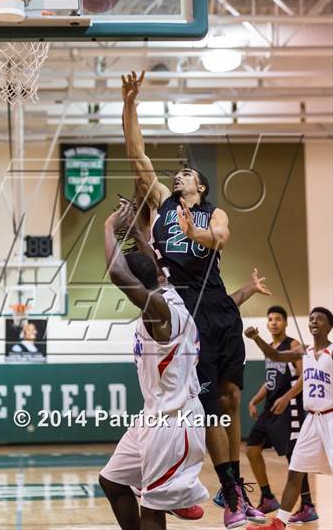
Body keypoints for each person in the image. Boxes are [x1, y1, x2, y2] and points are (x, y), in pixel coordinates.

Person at [121, 70, 264, 528]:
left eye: (185, 173)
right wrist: (130, 104)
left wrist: (193, 232)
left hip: (218, 305)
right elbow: (136, 152)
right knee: (200, 404)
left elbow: (219, 238)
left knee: (231, 396)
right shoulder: (162, 201)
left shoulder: (212, 211)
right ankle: (209, 487)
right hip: (183, 310)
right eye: (176, 173)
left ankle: (233, 489)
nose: (176, 175)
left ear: (199, 186)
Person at [99, 203, 208, 530]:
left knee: (152, 508)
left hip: (174, 422)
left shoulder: (159, 310)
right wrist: (133, 233)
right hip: (154, 415)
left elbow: (119, 273)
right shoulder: (168, 290)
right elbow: (151, 263)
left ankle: (173, 493)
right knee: (113, 481)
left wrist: (108, 228)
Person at [244, 307, 333, 530]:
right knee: (295, 470)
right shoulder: (304, 350)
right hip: (311, 420)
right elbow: (274, 356)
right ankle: (279, 523)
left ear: (329, 326)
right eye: (311, 318)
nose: (313, 322)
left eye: (319, 319)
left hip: (331, 418)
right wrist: (256, 338)